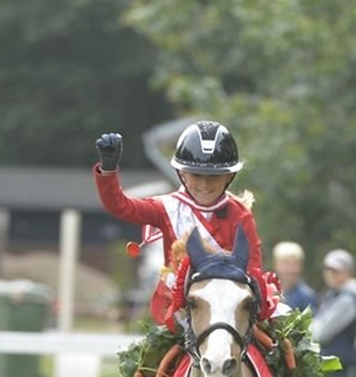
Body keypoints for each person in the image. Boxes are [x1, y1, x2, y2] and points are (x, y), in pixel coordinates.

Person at [94, 120, 264, 324]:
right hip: (177, 313)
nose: (204, 185)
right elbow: (119, 206)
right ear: (182, 174)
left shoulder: (240, 214)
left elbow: (253, 267)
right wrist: (109, 170)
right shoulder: (167, 208)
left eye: (213, 176)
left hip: (228, 313)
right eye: (196, 175)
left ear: (229, 176)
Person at [311, 249, 356, 377]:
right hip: (330, 358)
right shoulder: (335, 294)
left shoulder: (348, 299)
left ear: (348, 272)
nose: (331, 275)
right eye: (328, 270)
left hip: (336, 360)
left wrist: (303, 332)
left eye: (336, 271)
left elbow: (323, 332)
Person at [272, 241, 317, 313]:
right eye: (286, 263)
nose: (290, 269)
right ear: (276, 265)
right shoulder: (269, 292)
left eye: (294, 264)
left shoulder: (306, 296)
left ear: (301, 266)